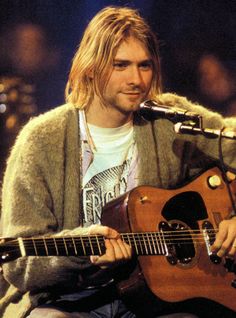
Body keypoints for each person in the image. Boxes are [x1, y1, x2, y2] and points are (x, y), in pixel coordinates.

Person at [0, 6, 236, 318]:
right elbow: (19, 263)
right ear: (92, 67)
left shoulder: (170, 123)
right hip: (65, 300)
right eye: (120, 65)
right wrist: (81, 253)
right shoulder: (41, 140)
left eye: (144, 65)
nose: (136, 79)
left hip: (158, 299)